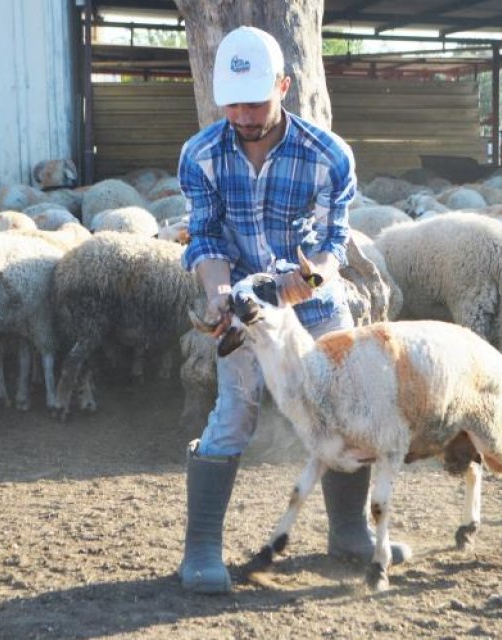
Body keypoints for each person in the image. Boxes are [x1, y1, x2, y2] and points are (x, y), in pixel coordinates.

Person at [176, 26, 410, 595]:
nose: (243, 116)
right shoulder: (201, 155)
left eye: (255, 102)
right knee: (237, 408)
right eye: (232, 104)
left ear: (283, 85)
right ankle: (202, 548)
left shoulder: (328, 155)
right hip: (242, 302)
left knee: (349, 404)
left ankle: (349, 530)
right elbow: (203, 237)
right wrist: (216, 293)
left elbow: (333, 244)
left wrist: (307, 279)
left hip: (312, 301)